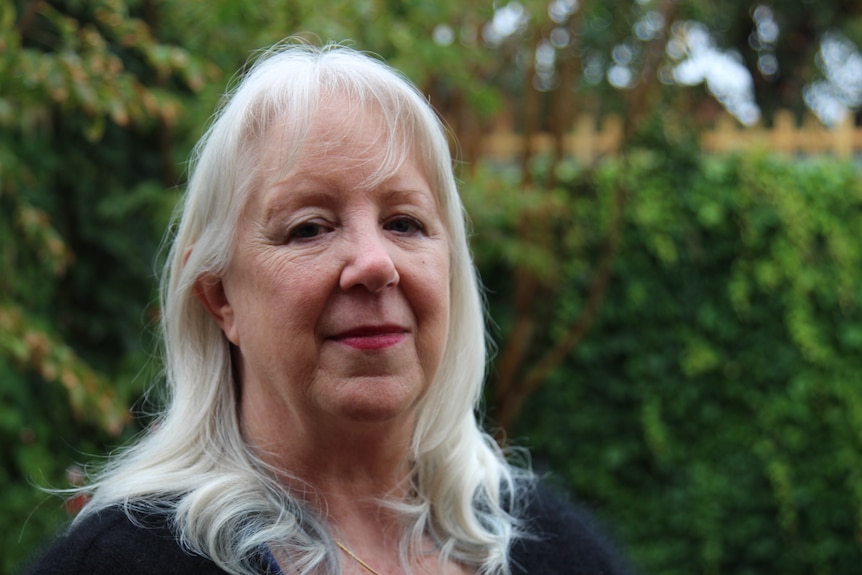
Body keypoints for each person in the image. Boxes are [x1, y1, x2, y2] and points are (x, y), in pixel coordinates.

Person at [25, 42, 631, 575]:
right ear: (220, 298)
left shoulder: (557, 552)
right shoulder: (118, 563)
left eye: (405, 222)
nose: (375, 262)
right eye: (310, 228)